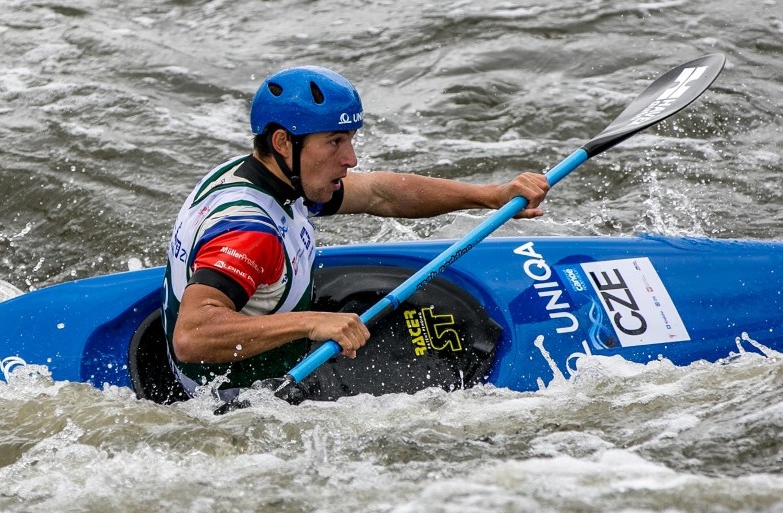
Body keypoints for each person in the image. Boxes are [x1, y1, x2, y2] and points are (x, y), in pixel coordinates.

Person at [161, 65, 549, 400]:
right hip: (243, 396)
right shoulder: (251, 233)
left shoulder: (267, 175)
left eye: (349, 140)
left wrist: (491, 196)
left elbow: (381, 193)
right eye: (334, 142)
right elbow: (192, 337)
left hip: (245, 351)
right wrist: (310, 322)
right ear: (283, 142)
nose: (350, 158)